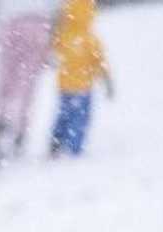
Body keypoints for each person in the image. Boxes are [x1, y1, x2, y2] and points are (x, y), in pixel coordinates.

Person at [0, 0, 64, 160]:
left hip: (11, 24)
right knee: (27, 86)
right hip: (38, 25)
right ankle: (19, 133)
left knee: (6, 84)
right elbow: (58, 7)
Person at [48, 0, 112, 157]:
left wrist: (57, 25)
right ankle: (74, 146)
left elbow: (52, 48)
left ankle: (56, 140)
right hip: (83, 87)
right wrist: (107, 81)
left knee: (63, 114)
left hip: (64, 85)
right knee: (80, 118)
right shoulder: (90, 39)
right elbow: (100, 62)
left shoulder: (64, 35)